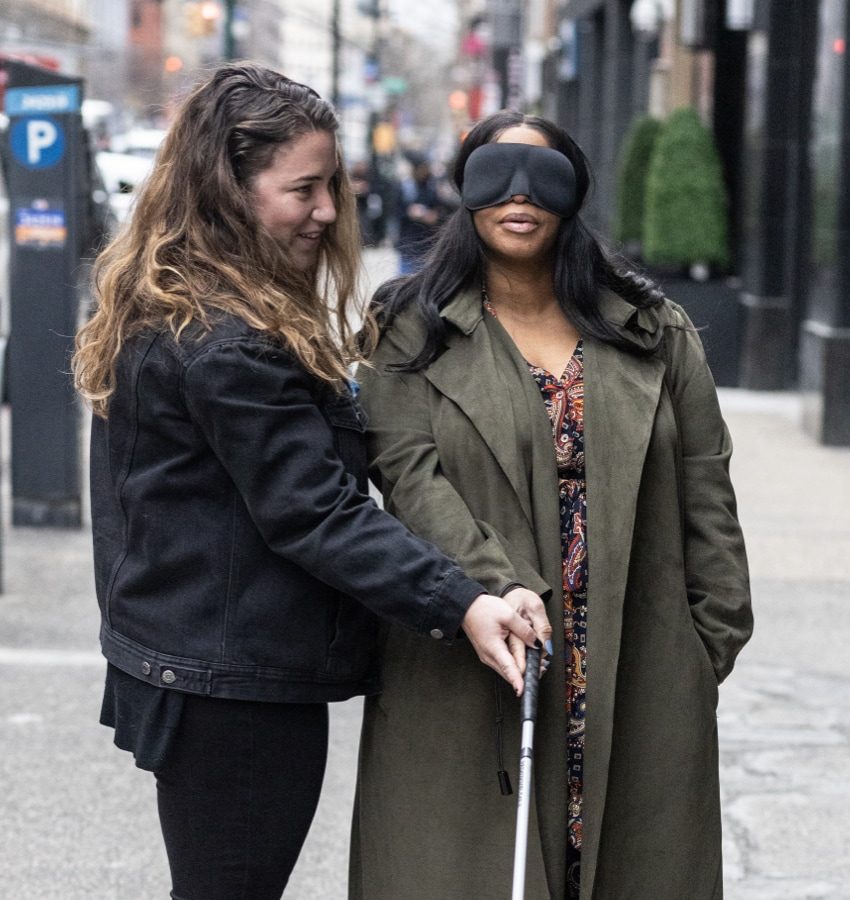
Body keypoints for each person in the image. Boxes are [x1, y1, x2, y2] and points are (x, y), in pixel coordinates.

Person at [72, 67, 550, 900]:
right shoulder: (227, 342)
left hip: (192, 661)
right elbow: (316, 512)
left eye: (332, 183)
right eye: (305, 188)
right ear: (228, 190)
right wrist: (464, 602)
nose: (329, 210)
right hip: (232, 687)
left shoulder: (176, 302)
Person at [351, 111, 753, 899]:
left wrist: (711, 640)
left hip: (638, 657)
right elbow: (408, 478)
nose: (520, 194)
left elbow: (709, 484)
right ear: (464, 190)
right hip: (473, 650)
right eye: (495, 172)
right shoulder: (407, 329)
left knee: (640, 864)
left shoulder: (651, 329)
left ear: (575, 193)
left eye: (545, 174)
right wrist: (494, 586)